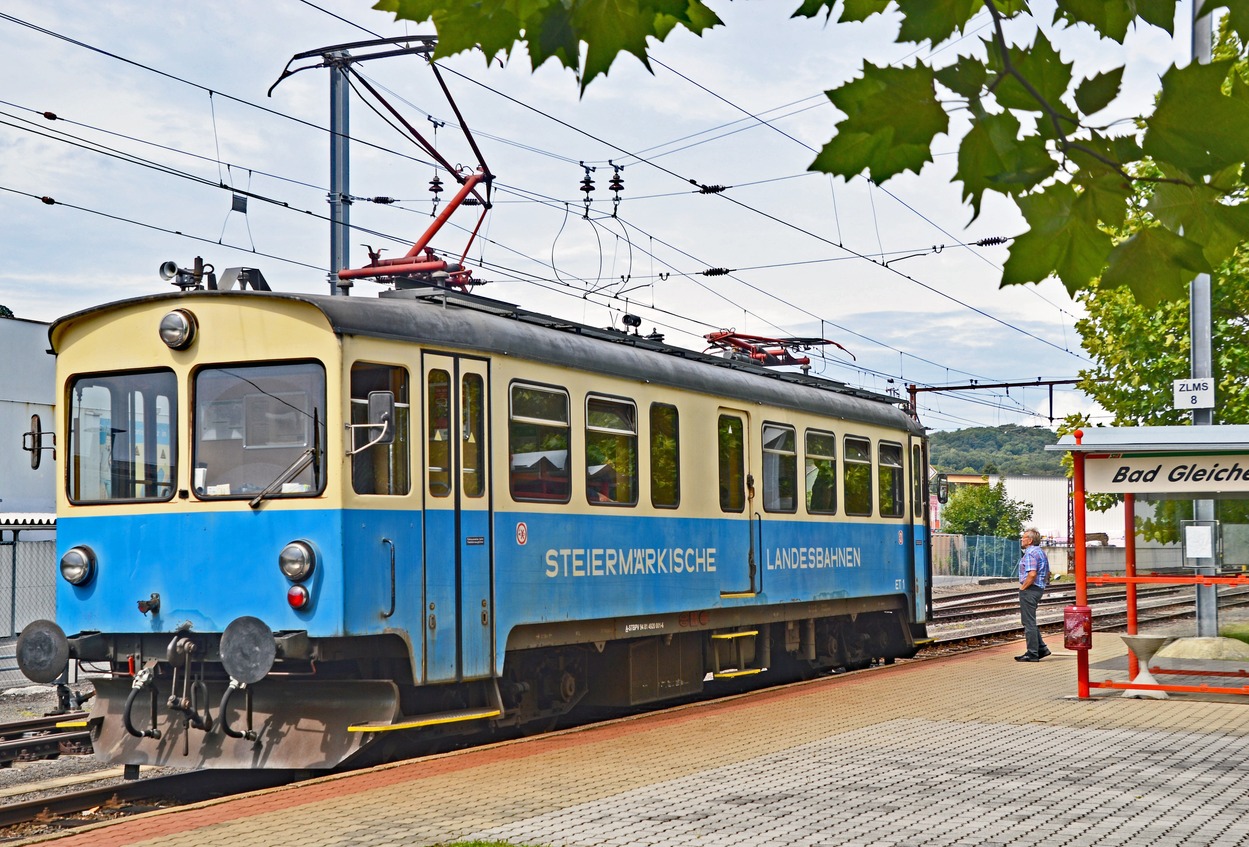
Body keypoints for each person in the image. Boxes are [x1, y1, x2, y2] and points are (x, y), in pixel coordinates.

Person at [1015, 527, 1052, 662]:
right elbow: (1048, 573)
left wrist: (1023, 588)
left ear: (1030, 540)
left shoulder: (1030, 553)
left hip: (1030, 589)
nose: (1022, 540)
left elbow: (1032, 574)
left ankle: (1032, 653)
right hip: (1038, 589)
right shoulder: (1040, 552)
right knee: (1030, 620)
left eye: (1024, 537)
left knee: (1028, 622)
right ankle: (1042, 648)